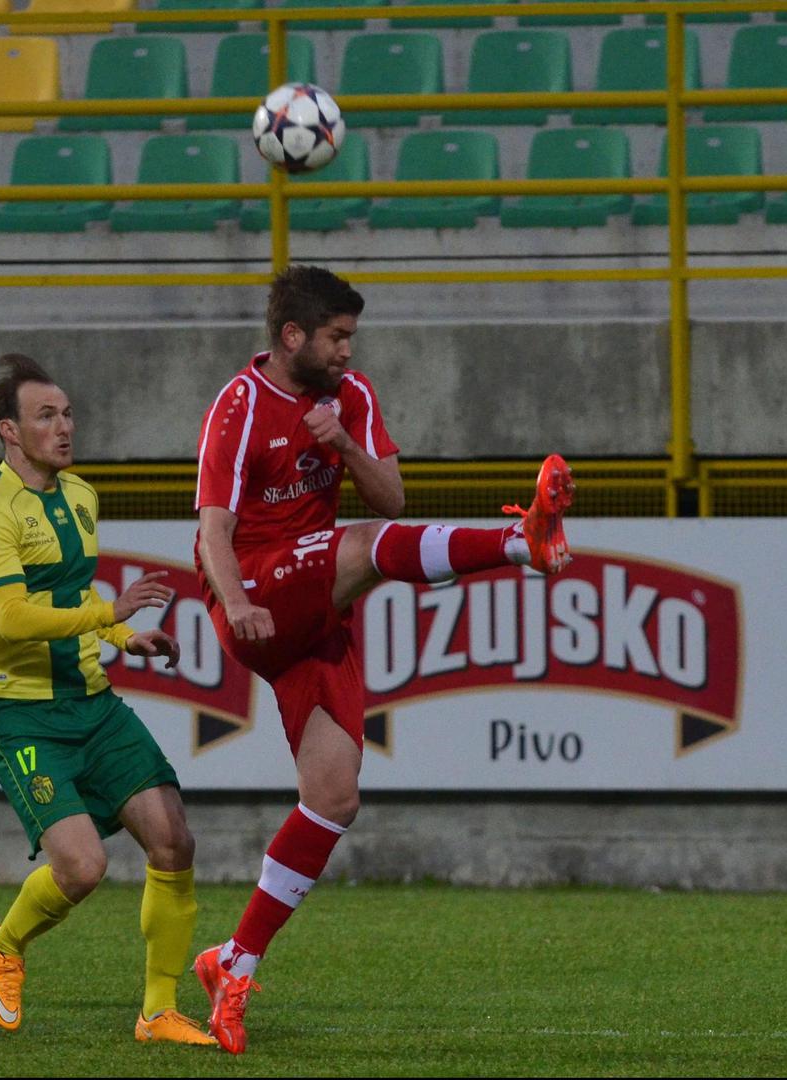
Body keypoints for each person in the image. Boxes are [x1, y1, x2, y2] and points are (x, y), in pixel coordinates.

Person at [190, 265, 575, 1054]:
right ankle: (520, 540)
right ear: (292, 336)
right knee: (366, 547)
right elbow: (213, 532)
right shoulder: (239, 405)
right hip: (255, 590)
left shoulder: (352, 397)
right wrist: (235, 604)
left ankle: (233, 964)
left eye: (351, 337)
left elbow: (392, 498)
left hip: (317, 605)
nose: (346, 351)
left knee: (333, 799)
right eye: (335, 337)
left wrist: (341, 443)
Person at [0, 353, 216, 1047]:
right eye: (46, 416)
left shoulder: (80, 495)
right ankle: (4, 945)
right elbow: (12, 618)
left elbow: (71, 597)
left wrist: (125, 635)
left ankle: (158, 1012)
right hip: (20, 714)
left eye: (68, 414)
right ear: (10, 431)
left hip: (93, 704)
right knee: (82, 867)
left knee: (174, 840)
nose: (64, 427)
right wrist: (109, 613)